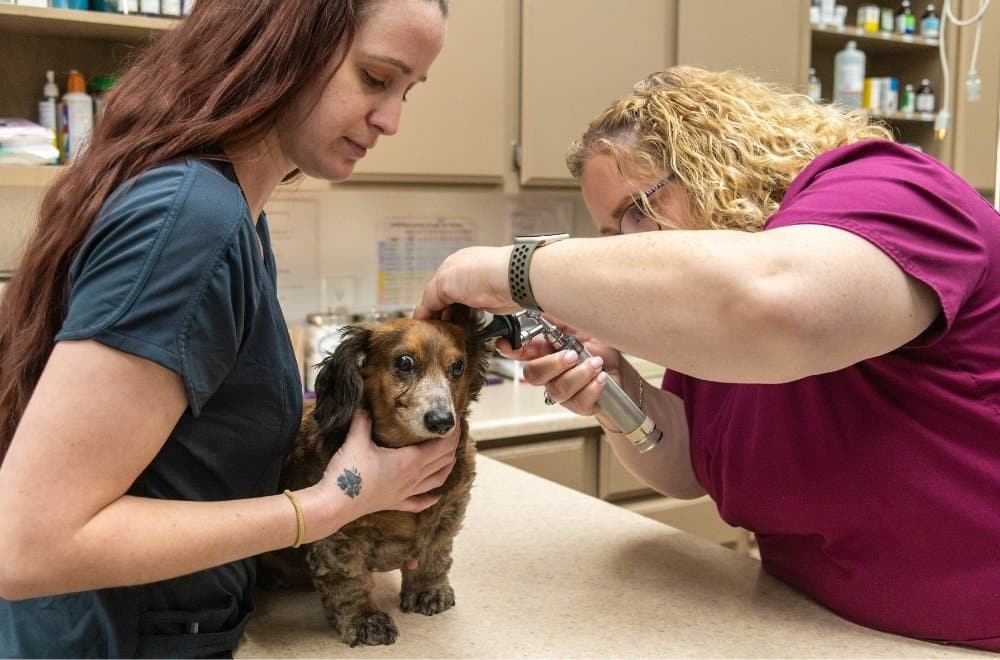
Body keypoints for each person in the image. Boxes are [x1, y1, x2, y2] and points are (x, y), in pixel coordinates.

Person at [416, 66, 1000, 651]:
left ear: (712, 154)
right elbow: (688, 466)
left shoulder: (891, 187)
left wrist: (513, 271)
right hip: (802, 626)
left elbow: (770, 305)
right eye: (614, 234)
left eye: (639, 208)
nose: (634, 247)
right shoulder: (708, 320)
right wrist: (616, 390)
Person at [0, 1, 455, 657]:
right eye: (376, 78)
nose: (391, 120)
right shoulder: (194, 220)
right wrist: (334, 503)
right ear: (286, 43)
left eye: (407, 92)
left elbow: (195, 433)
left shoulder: (236, 211)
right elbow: (32, 544)